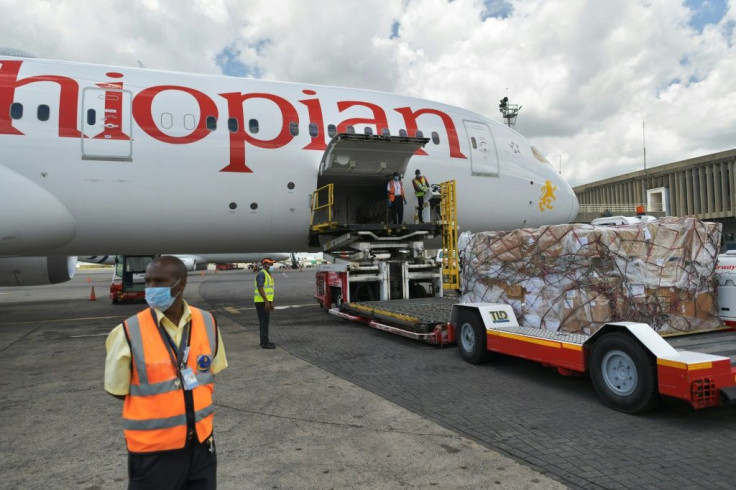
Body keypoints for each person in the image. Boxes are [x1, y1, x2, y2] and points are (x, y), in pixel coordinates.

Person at [104, 255, 227, 490]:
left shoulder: (208, 322)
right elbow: (118, 390)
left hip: (201, 445)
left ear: (180, 285)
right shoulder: (127, 332)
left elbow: (210, 374)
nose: (149, 288)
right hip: (153, 451)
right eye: (147, 281)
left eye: (158, 281)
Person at [255, 258, 276, 349]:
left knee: (265, 322)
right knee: (263, 322)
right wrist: (267, 302)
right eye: (270, 264)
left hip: (266, 302)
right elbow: (260, 288)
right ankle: (264, 343)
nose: (272, 266)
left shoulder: (268, 274)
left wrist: (271, 303)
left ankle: (264, 341)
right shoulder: (262, 274)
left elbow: (269, 290)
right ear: (265, 264)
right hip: (261, 302)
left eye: (272, 264)